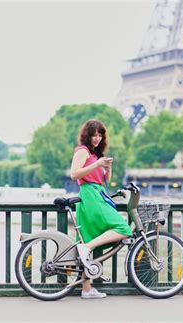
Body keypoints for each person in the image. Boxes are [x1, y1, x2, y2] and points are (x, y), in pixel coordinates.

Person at [70, 119, 132, 299]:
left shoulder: (96, 155)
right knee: (123, 228)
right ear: (86, 135)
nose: (97, 138)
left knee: (88, 237)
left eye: (100, 135)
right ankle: (87, 247)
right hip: (90, 195)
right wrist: (97, 164)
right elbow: (74, 174)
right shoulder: (82, 151)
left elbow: (103, 179)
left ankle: (87, 289)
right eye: (94, 135)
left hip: (97, 194)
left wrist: (107, 168)